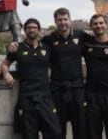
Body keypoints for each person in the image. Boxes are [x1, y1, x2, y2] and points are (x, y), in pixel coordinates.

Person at [1, 18, 61, 139]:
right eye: (29, 28)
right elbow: (5, 64)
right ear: (25, 30)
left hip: (45, 97)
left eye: (34, 28)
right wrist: (6, 74)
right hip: (26, 98)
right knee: (29, 135)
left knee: (55, 133)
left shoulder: (47, 48)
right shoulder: (18, 48)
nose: (31, 30)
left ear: (39, 30)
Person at [40, 8, 89, 139]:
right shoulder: (48, 40)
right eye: (59, 20)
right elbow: (35, 53)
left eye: (65, 19)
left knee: (80, 128)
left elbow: (99, 41)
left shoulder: (81, 35)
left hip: (77, 89)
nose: (63, 22)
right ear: (55, 21)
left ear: (70, 20)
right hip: (57, 89)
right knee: (57, 129)